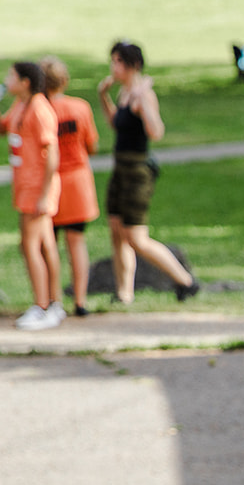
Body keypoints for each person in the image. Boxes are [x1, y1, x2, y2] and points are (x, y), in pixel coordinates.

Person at [96, 41, 197, 305]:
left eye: (118, 61)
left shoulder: (143, 94)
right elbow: (117, 124)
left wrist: (143, 100)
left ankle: (185, 281)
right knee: (116, 231)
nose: (113, 66)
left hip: (137, 171)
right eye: (113, 61)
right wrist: (104, 96)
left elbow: (156, 131)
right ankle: (123, 293)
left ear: (133, 65)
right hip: (120, 168)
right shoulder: (124, 93)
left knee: (136, 238)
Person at [0, 61, 63, 330]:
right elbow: (2, 128)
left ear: (25, 82)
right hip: (26, 185)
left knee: (30, 246)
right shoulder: (21, 104)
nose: (6, 79)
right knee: (44, 245)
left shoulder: (40, 109)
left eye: (11, 76)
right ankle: (53, 303)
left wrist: (44, 194)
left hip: (36, 188)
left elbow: (52, 154)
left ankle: (41, 305)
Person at [40, 56, 99, 317]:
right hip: (77, 183)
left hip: (49, 184)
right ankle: (80, 300)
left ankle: (52, 299)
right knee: (76, 242)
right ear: (64, 80)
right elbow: (92, 145)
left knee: (49, 244)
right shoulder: (80, 107)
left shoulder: (38, 111)